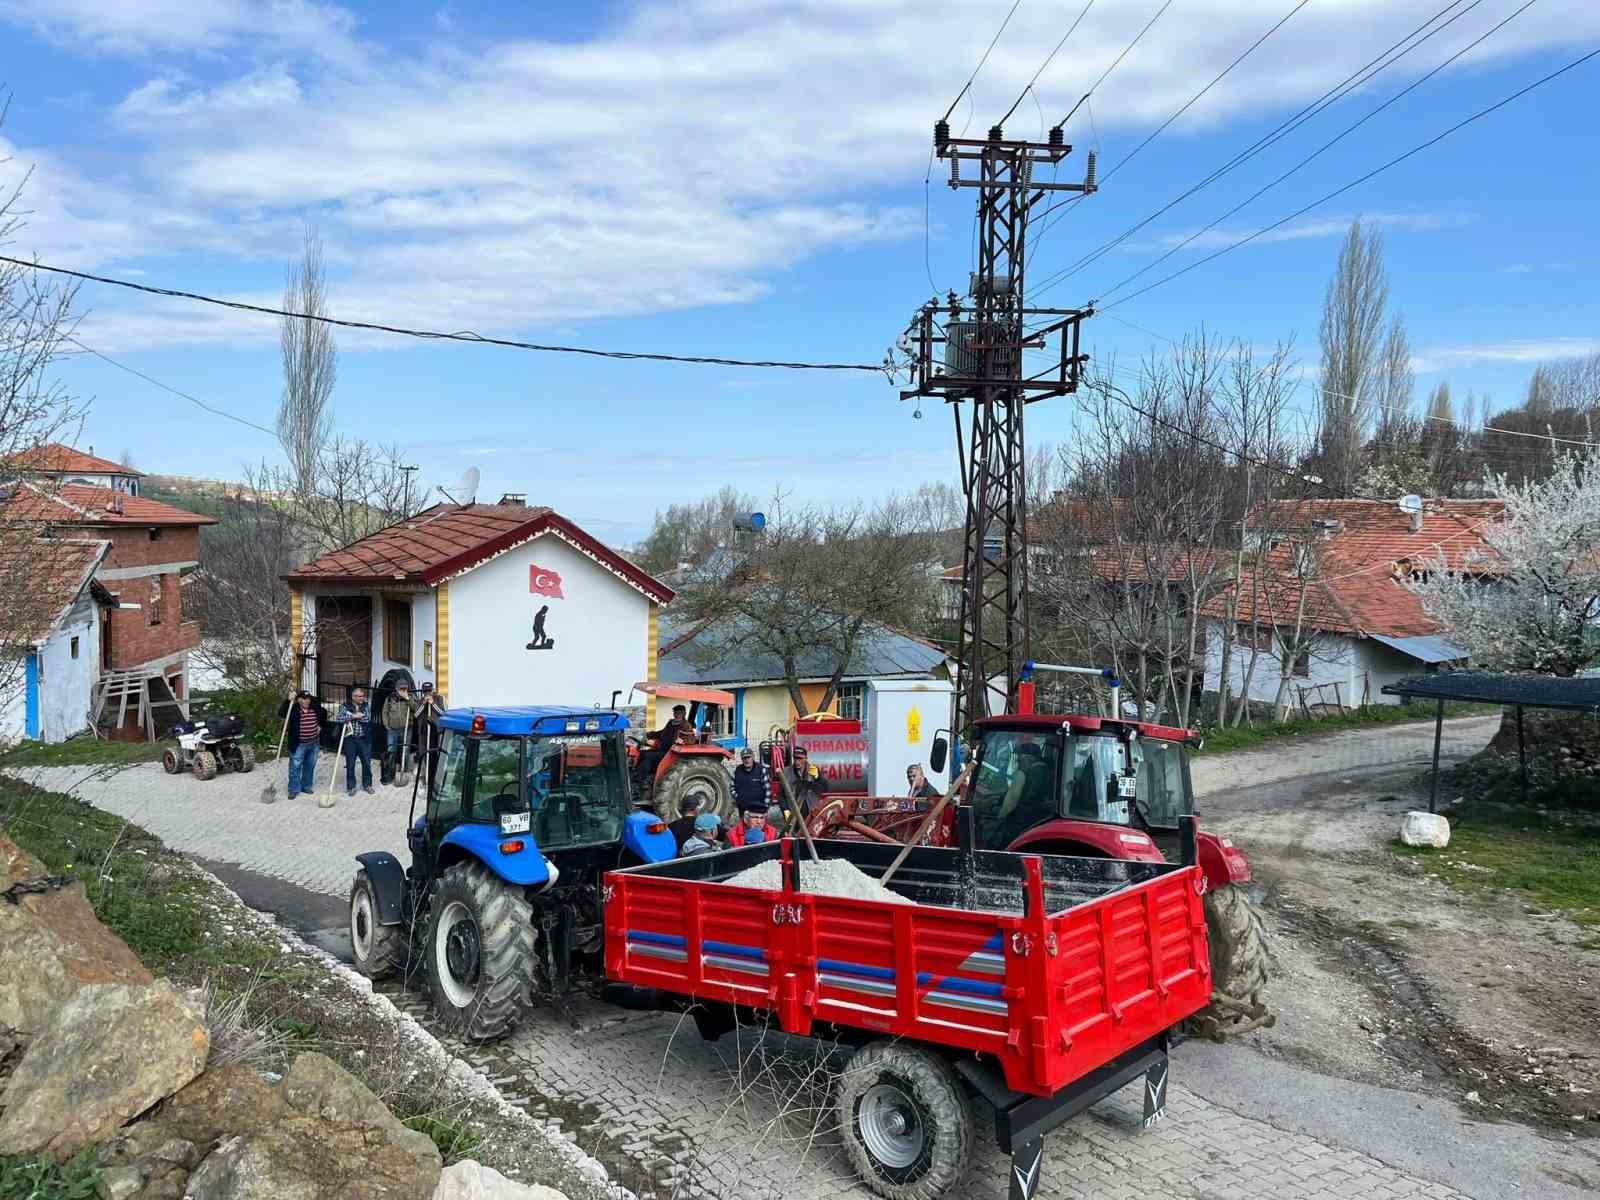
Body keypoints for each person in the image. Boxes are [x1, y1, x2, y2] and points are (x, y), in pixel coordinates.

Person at [279, 690, 324, 800]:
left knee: (310, 766)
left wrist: (320, 725)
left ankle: (306, 786)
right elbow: (281, 713)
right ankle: (293, 789)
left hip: (313, 743)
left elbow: (325, 714)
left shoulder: (315, 707)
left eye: (308, 698)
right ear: (298, 699)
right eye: (303, 699)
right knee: (295, 767)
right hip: (298, 744)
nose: (306, 701)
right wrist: (288, 700)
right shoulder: (293, 709)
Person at [636, 704, 690, 788]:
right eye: (675, 713)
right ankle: (639, 775)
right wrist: (648, 734)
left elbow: (690, 737)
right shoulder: (671, 723)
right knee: (642, 753)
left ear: (684, 713)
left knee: (649, 756)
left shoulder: (686, 725)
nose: (676, 715)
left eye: (679, 713)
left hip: (670, 753)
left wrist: (683, 740)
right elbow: (661, 733)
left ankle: (641, 781)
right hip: (661, 749)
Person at [336, 687, 375, 796]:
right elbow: (339, 718)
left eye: (361, 696)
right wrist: (354, 715)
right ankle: (351, 787)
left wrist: (349, 716)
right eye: (357, 696)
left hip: (364, 739)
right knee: (350, 764)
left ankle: (367, 785)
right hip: (350, 739)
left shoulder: (366, 706)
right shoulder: (345, 706)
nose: (360, 698)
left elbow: (367, 718)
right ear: (353, 697)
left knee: (367, 763)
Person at [779, 746, 827, 820]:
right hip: (794, 812)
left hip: (811, 811)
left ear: (806, 758)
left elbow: (824, 789)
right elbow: (781, 795)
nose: (797, 761)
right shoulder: (786, 772)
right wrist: (785, 809)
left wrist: (818, 778)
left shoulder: (813, 770)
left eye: (800, 758)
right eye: (795, 758)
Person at [381, 683, 415, 786]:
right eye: (401, 689)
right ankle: (390, 772)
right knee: (391, 750)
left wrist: (408, 699)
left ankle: (403, 772)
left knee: (405, 750)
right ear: (396, 689)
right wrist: (387, 725)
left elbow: (416, 709)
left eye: (405, 688)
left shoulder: (411, 697)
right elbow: (384, 712)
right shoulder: (390, 698)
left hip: (406, 729)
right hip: (392, 730)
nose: (403, 690)